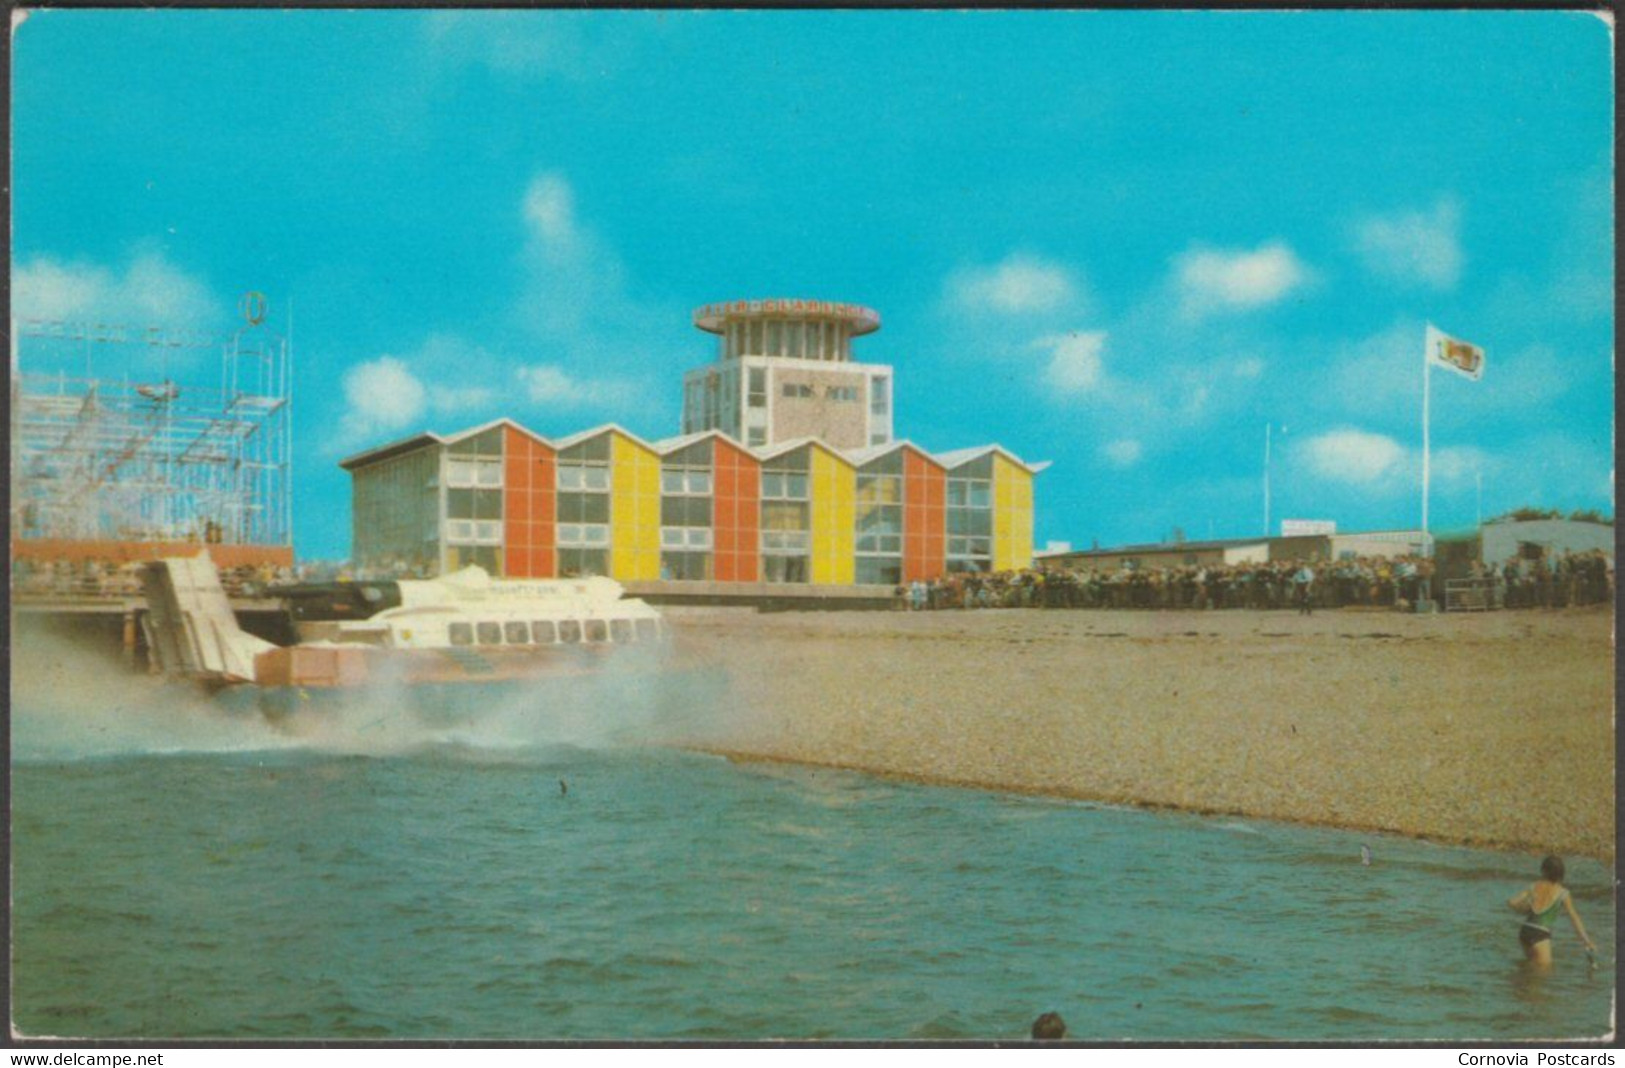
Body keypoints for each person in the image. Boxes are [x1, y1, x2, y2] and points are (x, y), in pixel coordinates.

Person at [1508, 855, 1596, 966]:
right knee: (1544, 972)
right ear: (1561, 874)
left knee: (1529, 967)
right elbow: (1574, 918)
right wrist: (1586, 941)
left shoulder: (1534, 886)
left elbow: (1512, 902)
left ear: (1543, 871)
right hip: (1540, 933)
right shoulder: (1563, 893)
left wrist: (1525, 909)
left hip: (1525, 931)